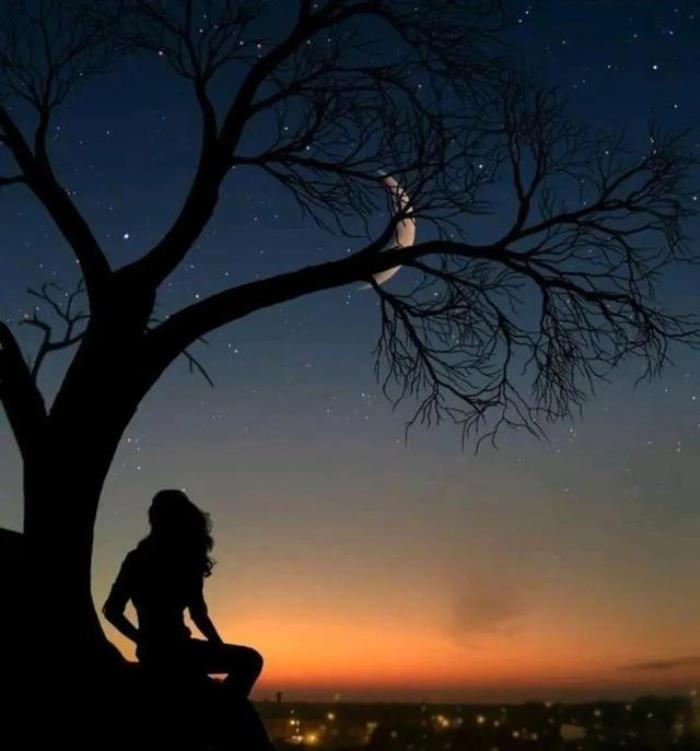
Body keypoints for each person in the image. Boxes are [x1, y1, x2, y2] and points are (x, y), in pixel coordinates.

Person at [102, 489, 264, 698]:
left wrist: (142, 641)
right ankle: (223, 709)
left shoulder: (138, 558)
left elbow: (112, 611)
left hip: (154, 653)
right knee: (251, 660)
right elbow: (199, 615)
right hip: (178, 651)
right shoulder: (183, 560)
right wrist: (218, 647)